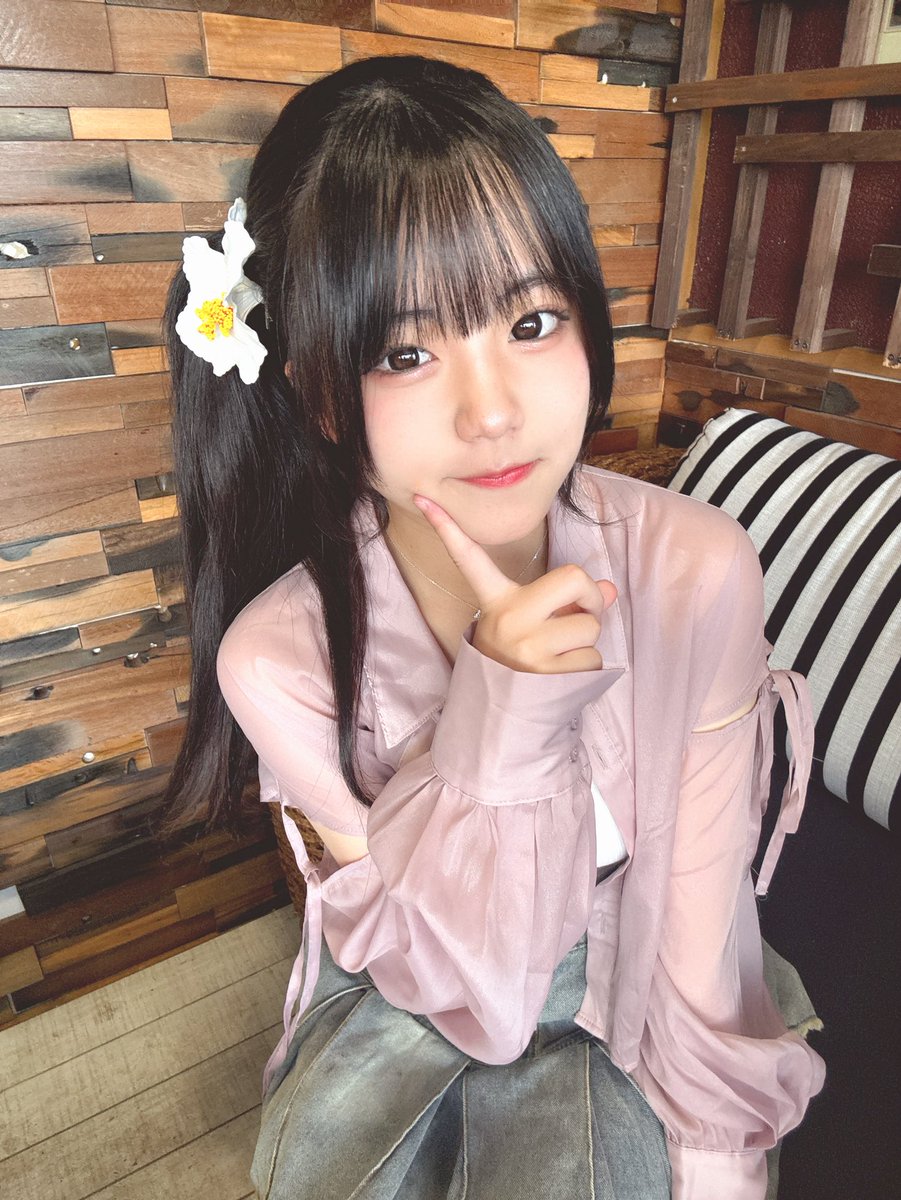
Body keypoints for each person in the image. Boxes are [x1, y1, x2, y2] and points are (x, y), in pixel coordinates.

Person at [154, 53, 826, 1200]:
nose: (496, 410)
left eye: (532, 319)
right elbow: (456, 980)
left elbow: (702, 911)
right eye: (408, 352)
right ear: (319, 390)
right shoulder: (276, 658)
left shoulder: (694, 569)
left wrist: (717, 1165)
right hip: (434, 991)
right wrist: (501, 724)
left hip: (644, 956)